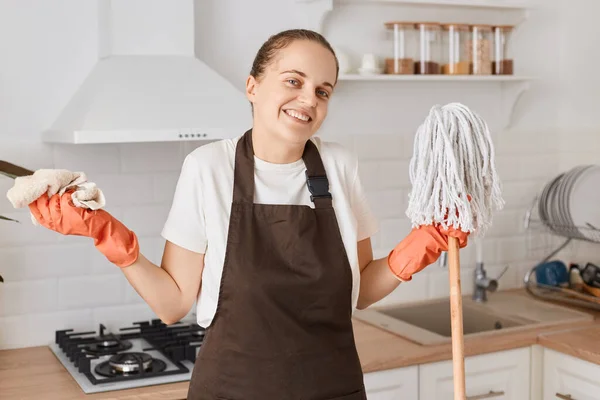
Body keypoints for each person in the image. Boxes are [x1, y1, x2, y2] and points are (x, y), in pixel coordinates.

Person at [29, 29, 468, 400]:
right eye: (293, 81)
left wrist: (420, 246)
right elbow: (173, 302)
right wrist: (108, 235)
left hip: (333, 388)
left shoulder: (339, 167)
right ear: (253, 87)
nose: (308, 100)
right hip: (233, 389)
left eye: (322, 90)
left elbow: (359, 289)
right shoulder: (209, 167)